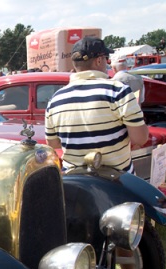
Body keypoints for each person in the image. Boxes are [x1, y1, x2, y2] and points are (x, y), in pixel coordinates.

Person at [45, 36, 148, 173]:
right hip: (118, 183)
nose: (107, 62)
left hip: (75, 184)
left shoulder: (55, 99)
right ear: (99, 60)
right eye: (106, 58)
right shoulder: (118, 91)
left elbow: (53, 143)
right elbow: (140, 138)